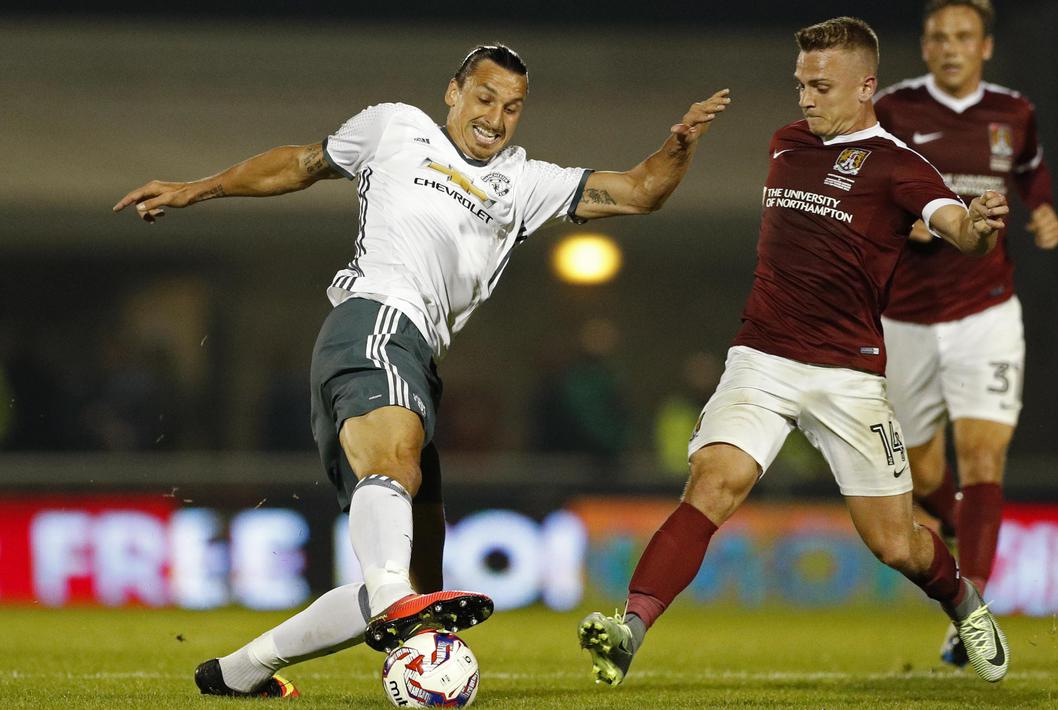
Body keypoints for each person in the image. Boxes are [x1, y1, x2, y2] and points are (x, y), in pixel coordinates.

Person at [114, 43, 730, 698]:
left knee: (419, 580)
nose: (496, 117)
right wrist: (195, 189)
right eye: (486, 98)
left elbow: (641, 191)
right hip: (373, 323)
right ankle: (387, 595)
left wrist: (680, 143)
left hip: (417, 358)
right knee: (395, 487)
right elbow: (297, 164)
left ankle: (241, 671)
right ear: (453, 93)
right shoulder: (395, 128)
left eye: (513, 107)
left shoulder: (526, 183)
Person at [579, 17, 1013, 687]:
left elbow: (953, 225)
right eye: (799, 85)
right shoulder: (787, 144)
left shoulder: (898, 166)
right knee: (713, 483)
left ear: (865, 87)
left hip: (849, 375)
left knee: (893, 543)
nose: (805, 99)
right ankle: (627, 630)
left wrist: (978, 226)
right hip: (763, 357)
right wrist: (681, 143)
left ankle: (963, 602)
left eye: (820, 86)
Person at [874, 0, 1058, 669]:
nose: (948, 47)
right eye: (936, 37)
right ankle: (959, 524)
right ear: (923, 47)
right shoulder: (892, 112)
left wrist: (1040, 209)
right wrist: (904, 221)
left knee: (983, 459)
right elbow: (866, 188)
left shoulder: (1013, 112)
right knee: (922, 474)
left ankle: (970, 611)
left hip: (985, 311)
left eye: (961, 37)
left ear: (984, 47)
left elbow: (1030, 172)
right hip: (905, 319)